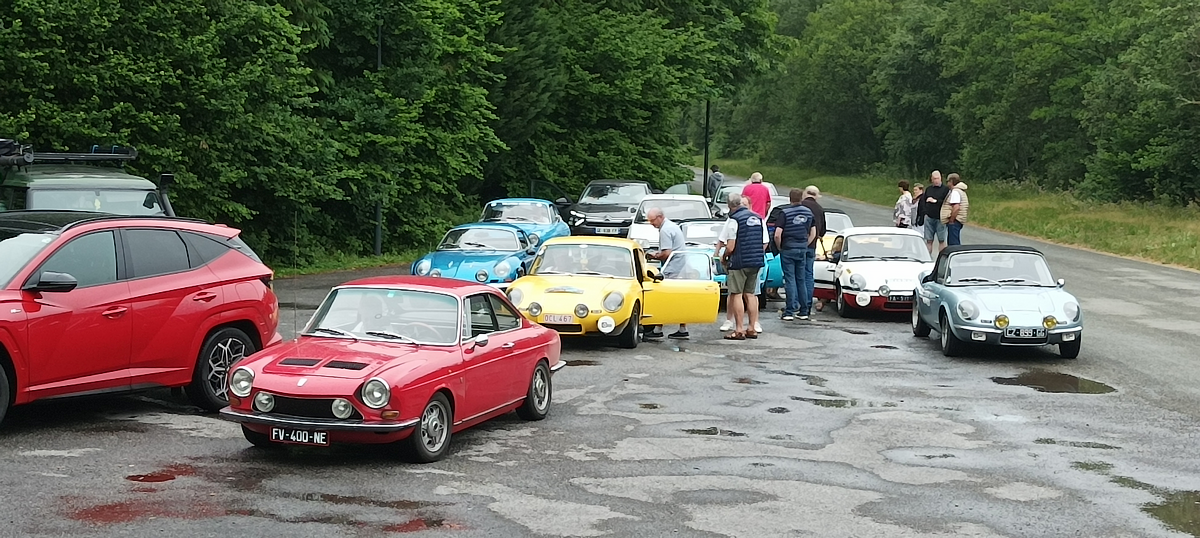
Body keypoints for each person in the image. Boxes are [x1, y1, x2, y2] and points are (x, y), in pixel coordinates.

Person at [721, 193, 766, 340]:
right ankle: (752, 328)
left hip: (740, 261)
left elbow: (731, 246)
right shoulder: (757, 218)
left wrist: (724, 257)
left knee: (736, 294)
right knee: (750, 294)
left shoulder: (734, 219)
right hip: (756, 260)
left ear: (729, 205)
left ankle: (739, 329)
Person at [643, 207, 689, 339]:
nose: (651, 224)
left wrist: (654, 255)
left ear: (659, 217)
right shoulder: (672, 226)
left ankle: (658, 329)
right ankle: (682, 328)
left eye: (652, 220)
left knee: (662, 297)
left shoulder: (665, 230)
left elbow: (666, 253)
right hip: (680, 266)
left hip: (672, 268)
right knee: (679, 298)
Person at [774, 189, 817, 321]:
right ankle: (804, 311)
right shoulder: (808, 213)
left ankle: (789, 311)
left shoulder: (785, 213)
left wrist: (780, 247)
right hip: (802, 249)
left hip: (788, 248)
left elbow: (777, 234)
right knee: (801, 279)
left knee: (790, 280)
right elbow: (813, 232)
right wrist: (805, 244)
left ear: (790, 198)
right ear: (801, 198)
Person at [798, 186, 826, 319]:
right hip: (812, 246)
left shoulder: (800, 206)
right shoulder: (820, 209)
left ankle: (797, 304)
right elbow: (822, 231)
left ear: (805, 193)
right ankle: (808, 304)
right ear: (816, 196)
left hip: (799, 244)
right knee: (809, 275)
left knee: (797, 275)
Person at [918, 170, 950, 254]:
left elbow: (947, 202)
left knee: (941, 240)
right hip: (929, 217)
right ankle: (928, 256)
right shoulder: (929, 189)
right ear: (931, 179)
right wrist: (925, 212)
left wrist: (935, 201)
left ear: (941, 178)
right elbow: (923, 201)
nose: (936, 180)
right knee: (929, 240)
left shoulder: (945, 189)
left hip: (940, 218)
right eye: (934, 179)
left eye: (938, 178)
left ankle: (942, 257)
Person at [941, 173, 969, 246]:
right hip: (958, 220)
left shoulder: (955, 191)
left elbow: (956, 207)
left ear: (951, 181)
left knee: (953, 244)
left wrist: (951, 220)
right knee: (954, 241)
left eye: (948, 181)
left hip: (955, 221)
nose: (947, 183)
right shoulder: (961, 191)